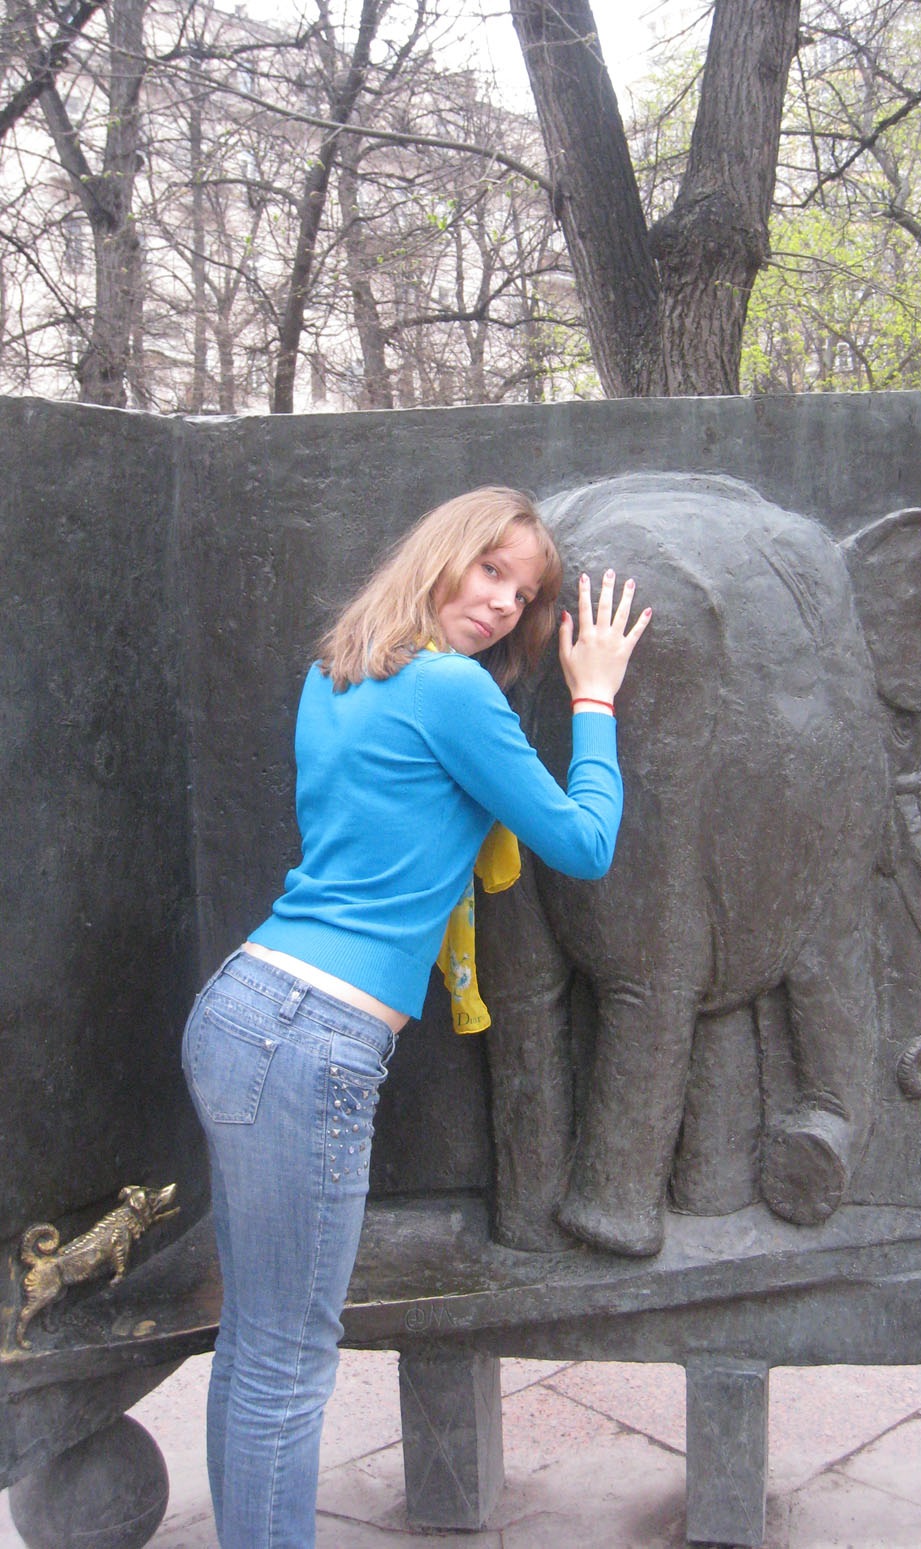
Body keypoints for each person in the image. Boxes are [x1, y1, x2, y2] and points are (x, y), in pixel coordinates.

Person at [181, 485, 651, 1548]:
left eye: (523, 594)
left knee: (256, 1346)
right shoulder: (451, 690)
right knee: (288, 1362)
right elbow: (583, 843)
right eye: (491, 570)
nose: (503, 604)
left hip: (244, 1010)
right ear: (442, 553)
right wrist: (594, 698)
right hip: (311, 1037)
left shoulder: (335, 672)